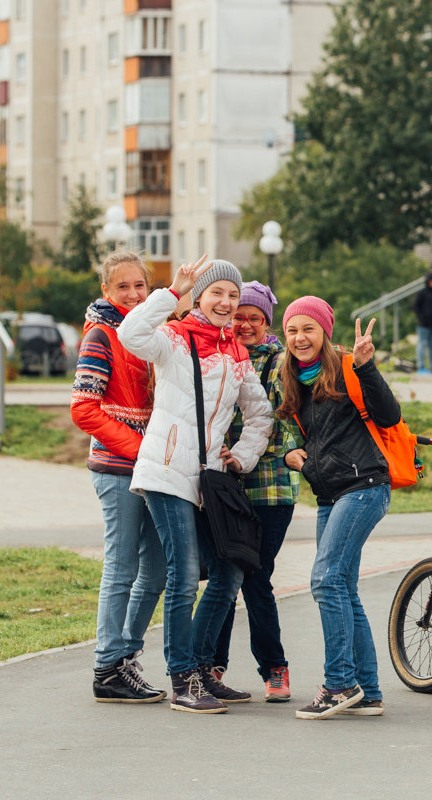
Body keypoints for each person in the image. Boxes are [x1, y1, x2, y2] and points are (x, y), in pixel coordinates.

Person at [118, 256, 274, 714]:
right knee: (184, 575)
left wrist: (241, 456)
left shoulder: (236, 354)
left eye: (232, 294)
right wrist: (171, 292)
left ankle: (203, 669)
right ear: (200, 298)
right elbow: (130, 334)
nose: (226, 302)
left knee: (228, 572)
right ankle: (182, 678)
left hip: (210, 478)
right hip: (166, 471)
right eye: (217, 293)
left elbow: (261, 414)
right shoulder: (173, 337)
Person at [279, 297, 398, 719]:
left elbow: (388, 415)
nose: (300, 338)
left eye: (309, 329)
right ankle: (367, 690)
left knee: (325, 581)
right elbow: (303, 435)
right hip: (329, 495)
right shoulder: (294, 379)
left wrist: (367, 366)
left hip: (364, 486)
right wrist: (296, 455)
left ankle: (339, 684)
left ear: (325, 332)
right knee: (343, 587)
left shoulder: (347, 367)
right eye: (293, 330)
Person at [70, 251, 167, 704]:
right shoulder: (100, 335)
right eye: (122, 287)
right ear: (106, 291)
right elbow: (84, 408)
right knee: (123, 564)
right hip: (116, 467)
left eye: (139, 286)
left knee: (159, 567)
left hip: (152, 468)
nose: (132, 294)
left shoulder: (153, 332)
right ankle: (107, 666)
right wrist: (138, 448)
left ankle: (123, 655)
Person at [210, 281, 300, 702]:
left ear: (266, 322)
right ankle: (212, 665)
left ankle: (274, 668)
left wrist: (244, 450)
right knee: (223, 575)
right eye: (238, 315)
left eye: (254, 318)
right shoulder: (219, 354)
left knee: (254, 575)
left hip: (270, 488)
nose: (244, 324)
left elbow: (284, 420)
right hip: (225, 486)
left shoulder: (281, 362)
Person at [412, 271, 432, 374]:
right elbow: (415, 307)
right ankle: (421, 367)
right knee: (422, 344)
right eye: (431, 281)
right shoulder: (422, 293)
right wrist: (421, 318)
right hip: (423, 324)